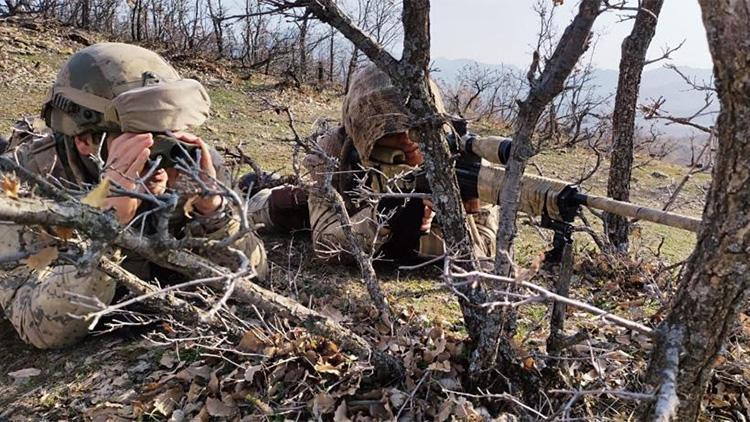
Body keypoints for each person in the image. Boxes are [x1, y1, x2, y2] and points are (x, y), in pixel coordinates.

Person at [0, 43, 267, 349]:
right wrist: (108, 226)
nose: (161, 155)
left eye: (169, 133)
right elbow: (38, 327)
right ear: (87, 140)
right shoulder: (22, 184)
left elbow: (253, 277)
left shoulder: (190, 159)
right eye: (144, 138)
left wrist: (213, 212)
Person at [249, 64, 498, 263]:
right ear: (363, 130)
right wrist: (384, 216)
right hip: (349, 210)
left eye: (414, 126)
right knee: (282, 206)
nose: (408, 137)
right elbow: (326, 243)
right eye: (393, 128)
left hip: (388, 231)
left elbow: (484, 249)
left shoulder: (465, 161)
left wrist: (447, 219)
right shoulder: (336, 153)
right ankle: (261, 186)